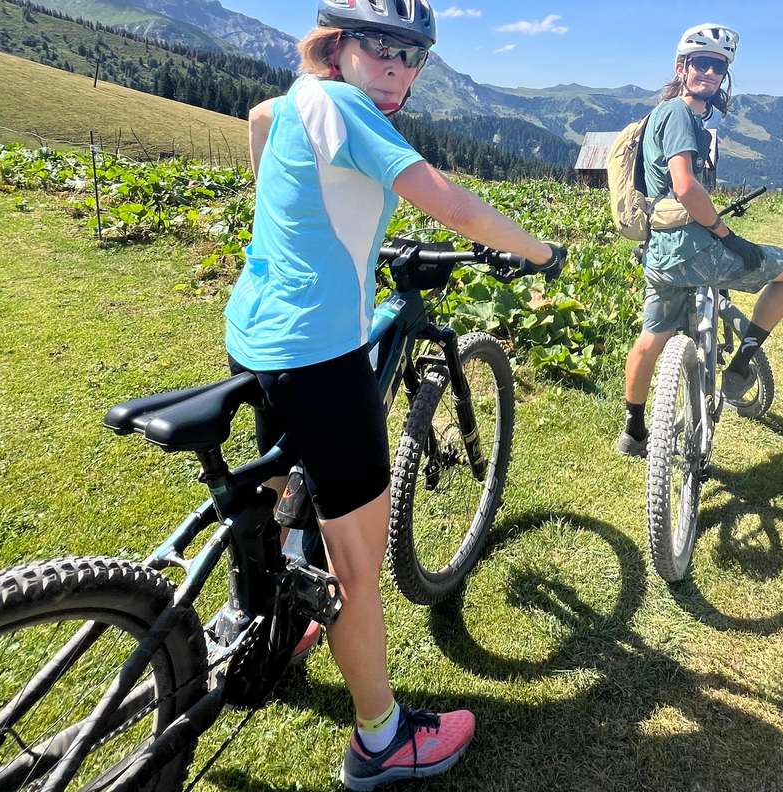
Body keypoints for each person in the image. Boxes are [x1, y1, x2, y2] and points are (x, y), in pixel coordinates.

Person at [230, 2, 565, 788]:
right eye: (378, 44)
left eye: (413, 54)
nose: (395, 65)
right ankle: (380, 739)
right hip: (318, 355)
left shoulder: (299, 98)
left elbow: (257, 116)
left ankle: (274, 618)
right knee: (357, 568)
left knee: (287, 494)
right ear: (339, 44)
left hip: (257, 334)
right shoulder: (347, 107)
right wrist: (542, 251)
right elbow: (450, 204)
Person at [616, 23, 783, 457]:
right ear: (682, 67)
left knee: (652, 336)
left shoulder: (659, 114)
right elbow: (684, 187)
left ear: (724, 75)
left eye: (717, 67)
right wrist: (725, 233)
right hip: (695, 251)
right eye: (701, 63)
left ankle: (633, 430)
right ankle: (740, 366)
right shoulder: (681, 115)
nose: (709, 73)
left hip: (660, 254)